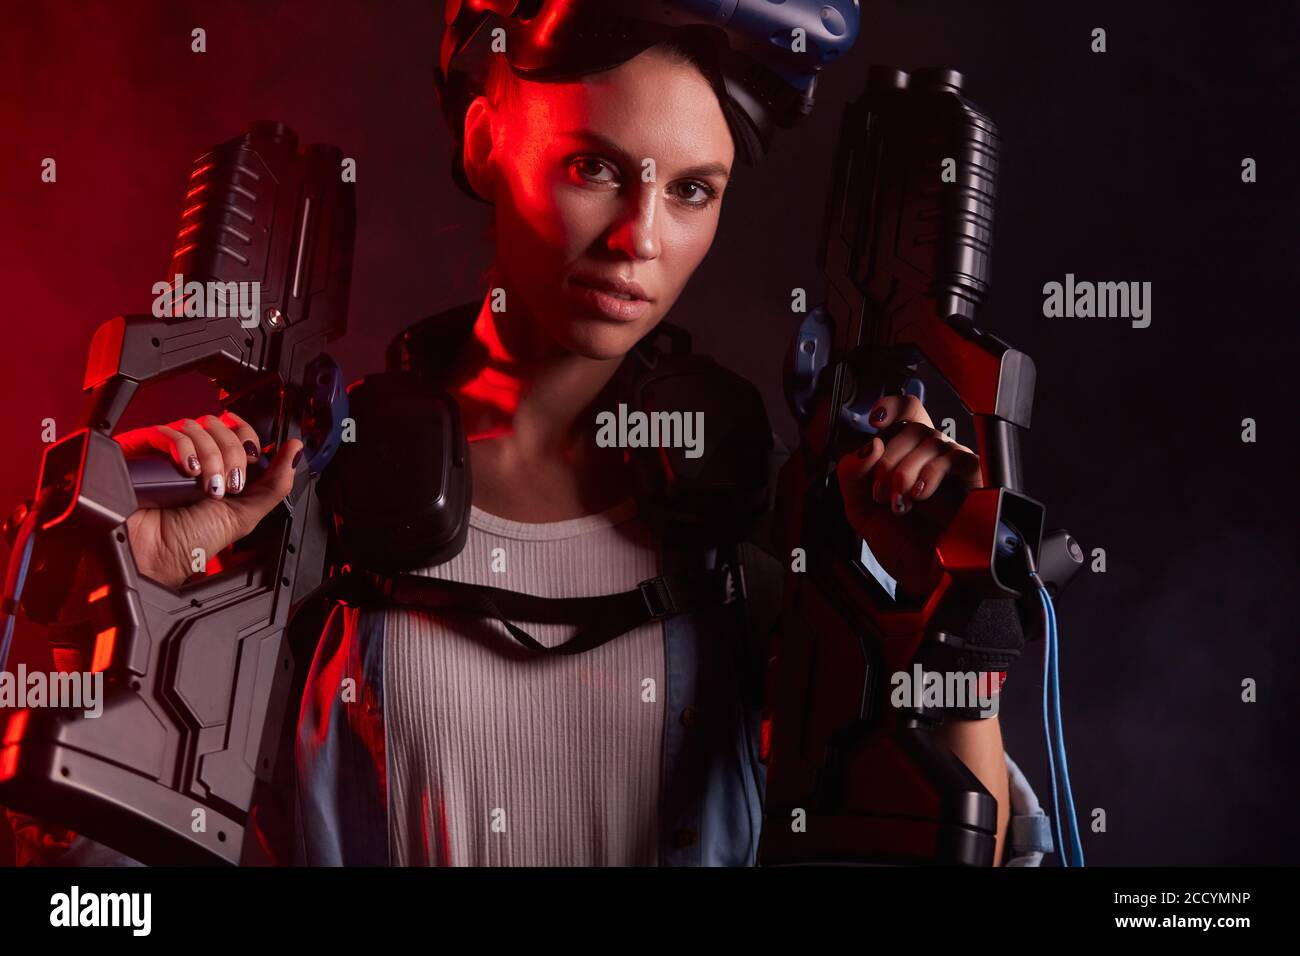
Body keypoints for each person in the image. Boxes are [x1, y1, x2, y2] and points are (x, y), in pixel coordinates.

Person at [8, 25, 1040, 868]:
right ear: (483, 140)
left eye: (692, 189)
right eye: (593, 165)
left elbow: (986, 851)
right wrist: (120, 593)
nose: (640, 236)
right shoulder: (301, 519)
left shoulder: (775, 533)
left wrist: (946, 610)